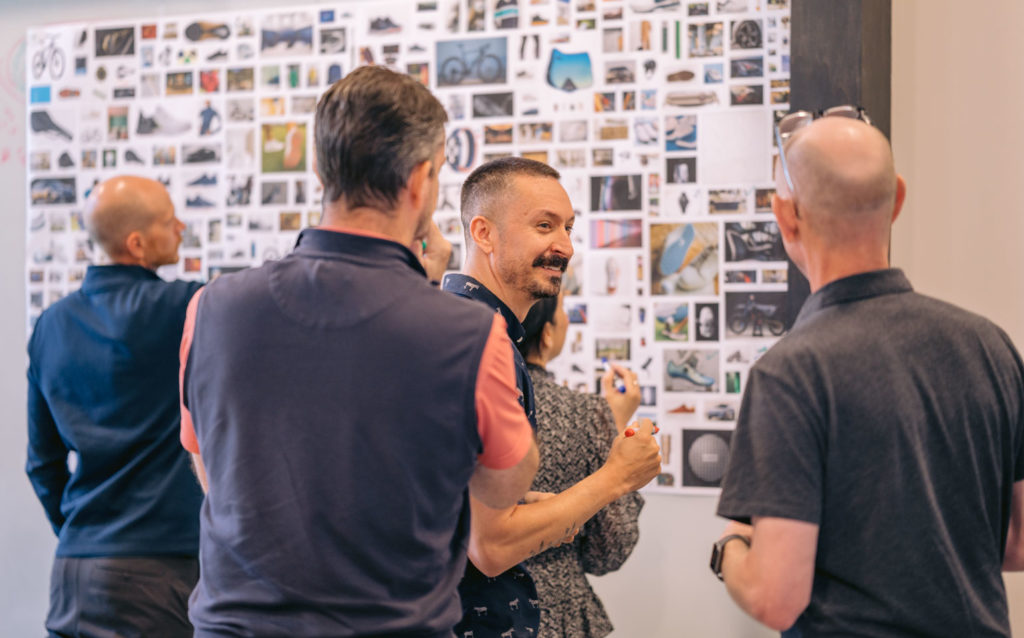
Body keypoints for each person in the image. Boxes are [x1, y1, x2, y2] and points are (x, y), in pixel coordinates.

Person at [178, 65, 539, 637]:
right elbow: (507, 480)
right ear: (421, 179)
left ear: (320, 169)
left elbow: (212, 467)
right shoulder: (466, 333)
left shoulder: (211, 308)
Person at [713, 110, 1024, 636]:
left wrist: (729, 552)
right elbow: (1017, 544)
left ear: (785, 216)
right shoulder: (990, 345)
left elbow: (775, 598)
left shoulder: (790, 373)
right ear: (898, 199)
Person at [443, 156, 661, 637]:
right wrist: (617, 477)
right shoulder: (475, 339)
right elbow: (491, 546)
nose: (565, 246)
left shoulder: (472, 329)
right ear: (484, 233)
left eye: (567, 227)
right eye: (544, 226)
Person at [25, 175, 202, 637]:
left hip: (74, 575)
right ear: (137, 243)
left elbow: (42, 463)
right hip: (158, 576)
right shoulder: (183, 308)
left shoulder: (51, 325)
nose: (181, 227)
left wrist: (83, 534)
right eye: (170, 220)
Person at [517, 292, 645, 638]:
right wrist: (613, 425)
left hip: (469, 609)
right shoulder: (585, 413)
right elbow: (610, 549)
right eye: (562, 313)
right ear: (546, 335)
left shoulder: (470, 397)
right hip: (558, 611)